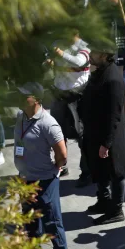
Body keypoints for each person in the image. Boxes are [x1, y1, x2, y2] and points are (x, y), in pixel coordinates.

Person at [13, 84, 69, 249]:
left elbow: (62, 153)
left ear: (36, 98)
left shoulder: (48, 123)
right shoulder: (21, 116)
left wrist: (55, 168)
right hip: (26, 178)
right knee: (29, 218)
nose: (19, 99)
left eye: (24, 96)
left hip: (45, 179)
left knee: (52, 221)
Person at [81, 44, 125, 225]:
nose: (90, 54)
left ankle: (116, 209)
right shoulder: (99, 72)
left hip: (110, 137)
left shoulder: (113, 79)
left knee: (115, 172)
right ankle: (103, 201)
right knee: (100, 170)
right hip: (95, 133)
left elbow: (115, 115)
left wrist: (106, 143)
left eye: (93, 51)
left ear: (103, 54)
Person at [46, 34, 91, 184]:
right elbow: (47, 61)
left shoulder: (84, 45)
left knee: (81, 135)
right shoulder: (57, 42)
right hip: (59, 94)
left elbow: (80, 62)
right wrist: (47, 63)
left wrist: (61, 53)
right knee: (57, 134)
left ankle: (86, 171)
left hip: (77, 95)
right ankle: (61, 165)